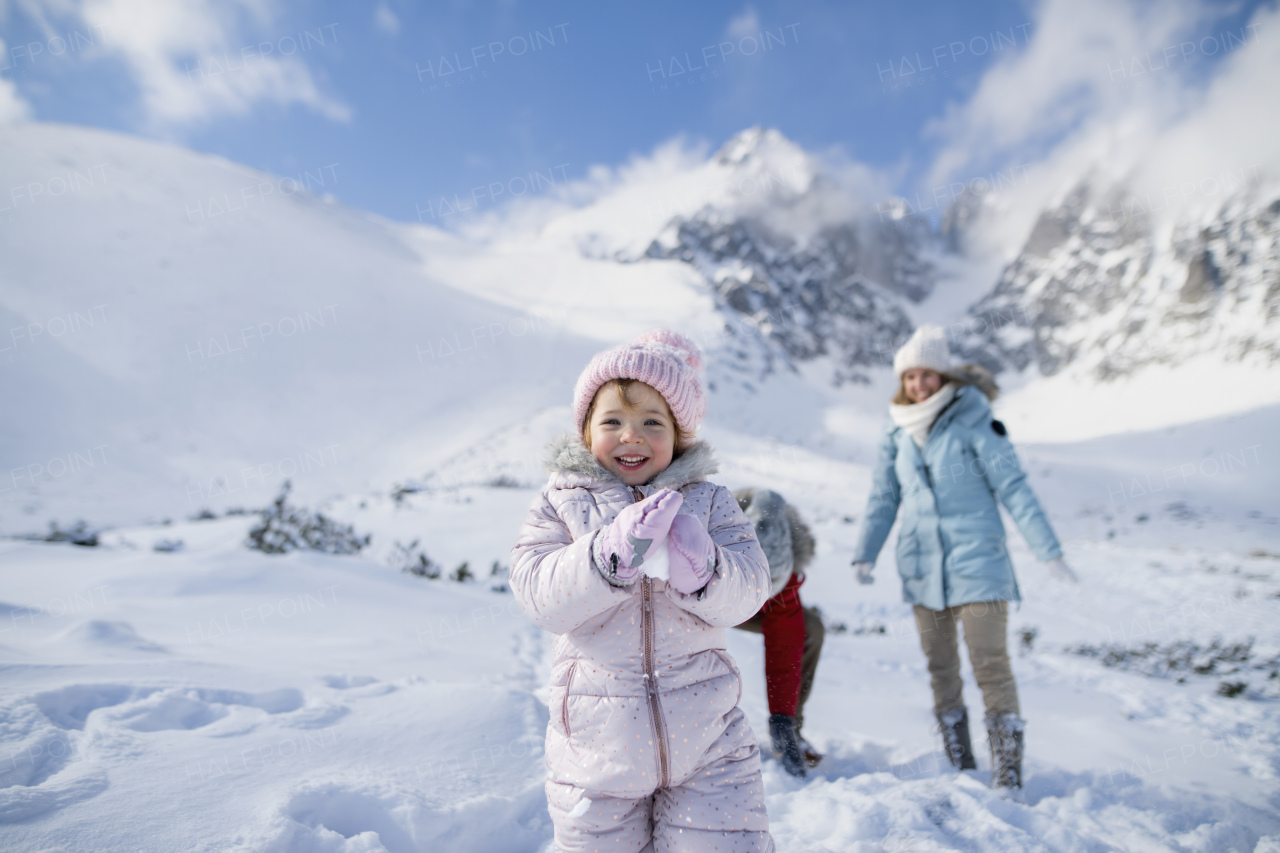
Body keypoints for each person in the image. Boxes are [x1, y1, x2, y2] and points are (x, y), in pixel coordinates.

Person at [510, 328, 775, 852]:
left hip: (709, 745)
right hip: (596, 751)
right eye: (613, 422)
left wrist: (707, 572)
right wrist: (607, 557)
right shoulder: (561, 502)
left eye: (652, 423)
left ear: (679, 436)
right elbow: (536, 589)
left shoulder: (710, 501)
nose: (631, 436)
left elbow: (752, 589)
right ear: (586, 432)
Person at [849, 325, 1079, 790]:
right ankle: (960, 765)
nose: (919, 385)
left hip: (979, 564)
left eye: (927, 374)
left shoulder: (974, 417)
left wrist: (1048, 551)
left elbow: (1013, 486)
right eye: (910, 376)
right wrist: (866, 553)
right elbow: (883, 497)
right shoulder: (895, 430)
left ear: (943, 375)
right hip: (921, 567)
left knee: (990, 664)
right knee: (941, 669)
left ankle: (1008, 775)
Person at [732, 488, 824, 779]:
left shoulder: (789, 572)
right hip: (711, 590)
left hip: (757, 610)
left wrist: (781, 720)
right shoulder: (710, 537)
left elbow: (784, 648)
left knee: (809, 630)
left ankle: (792, 731)